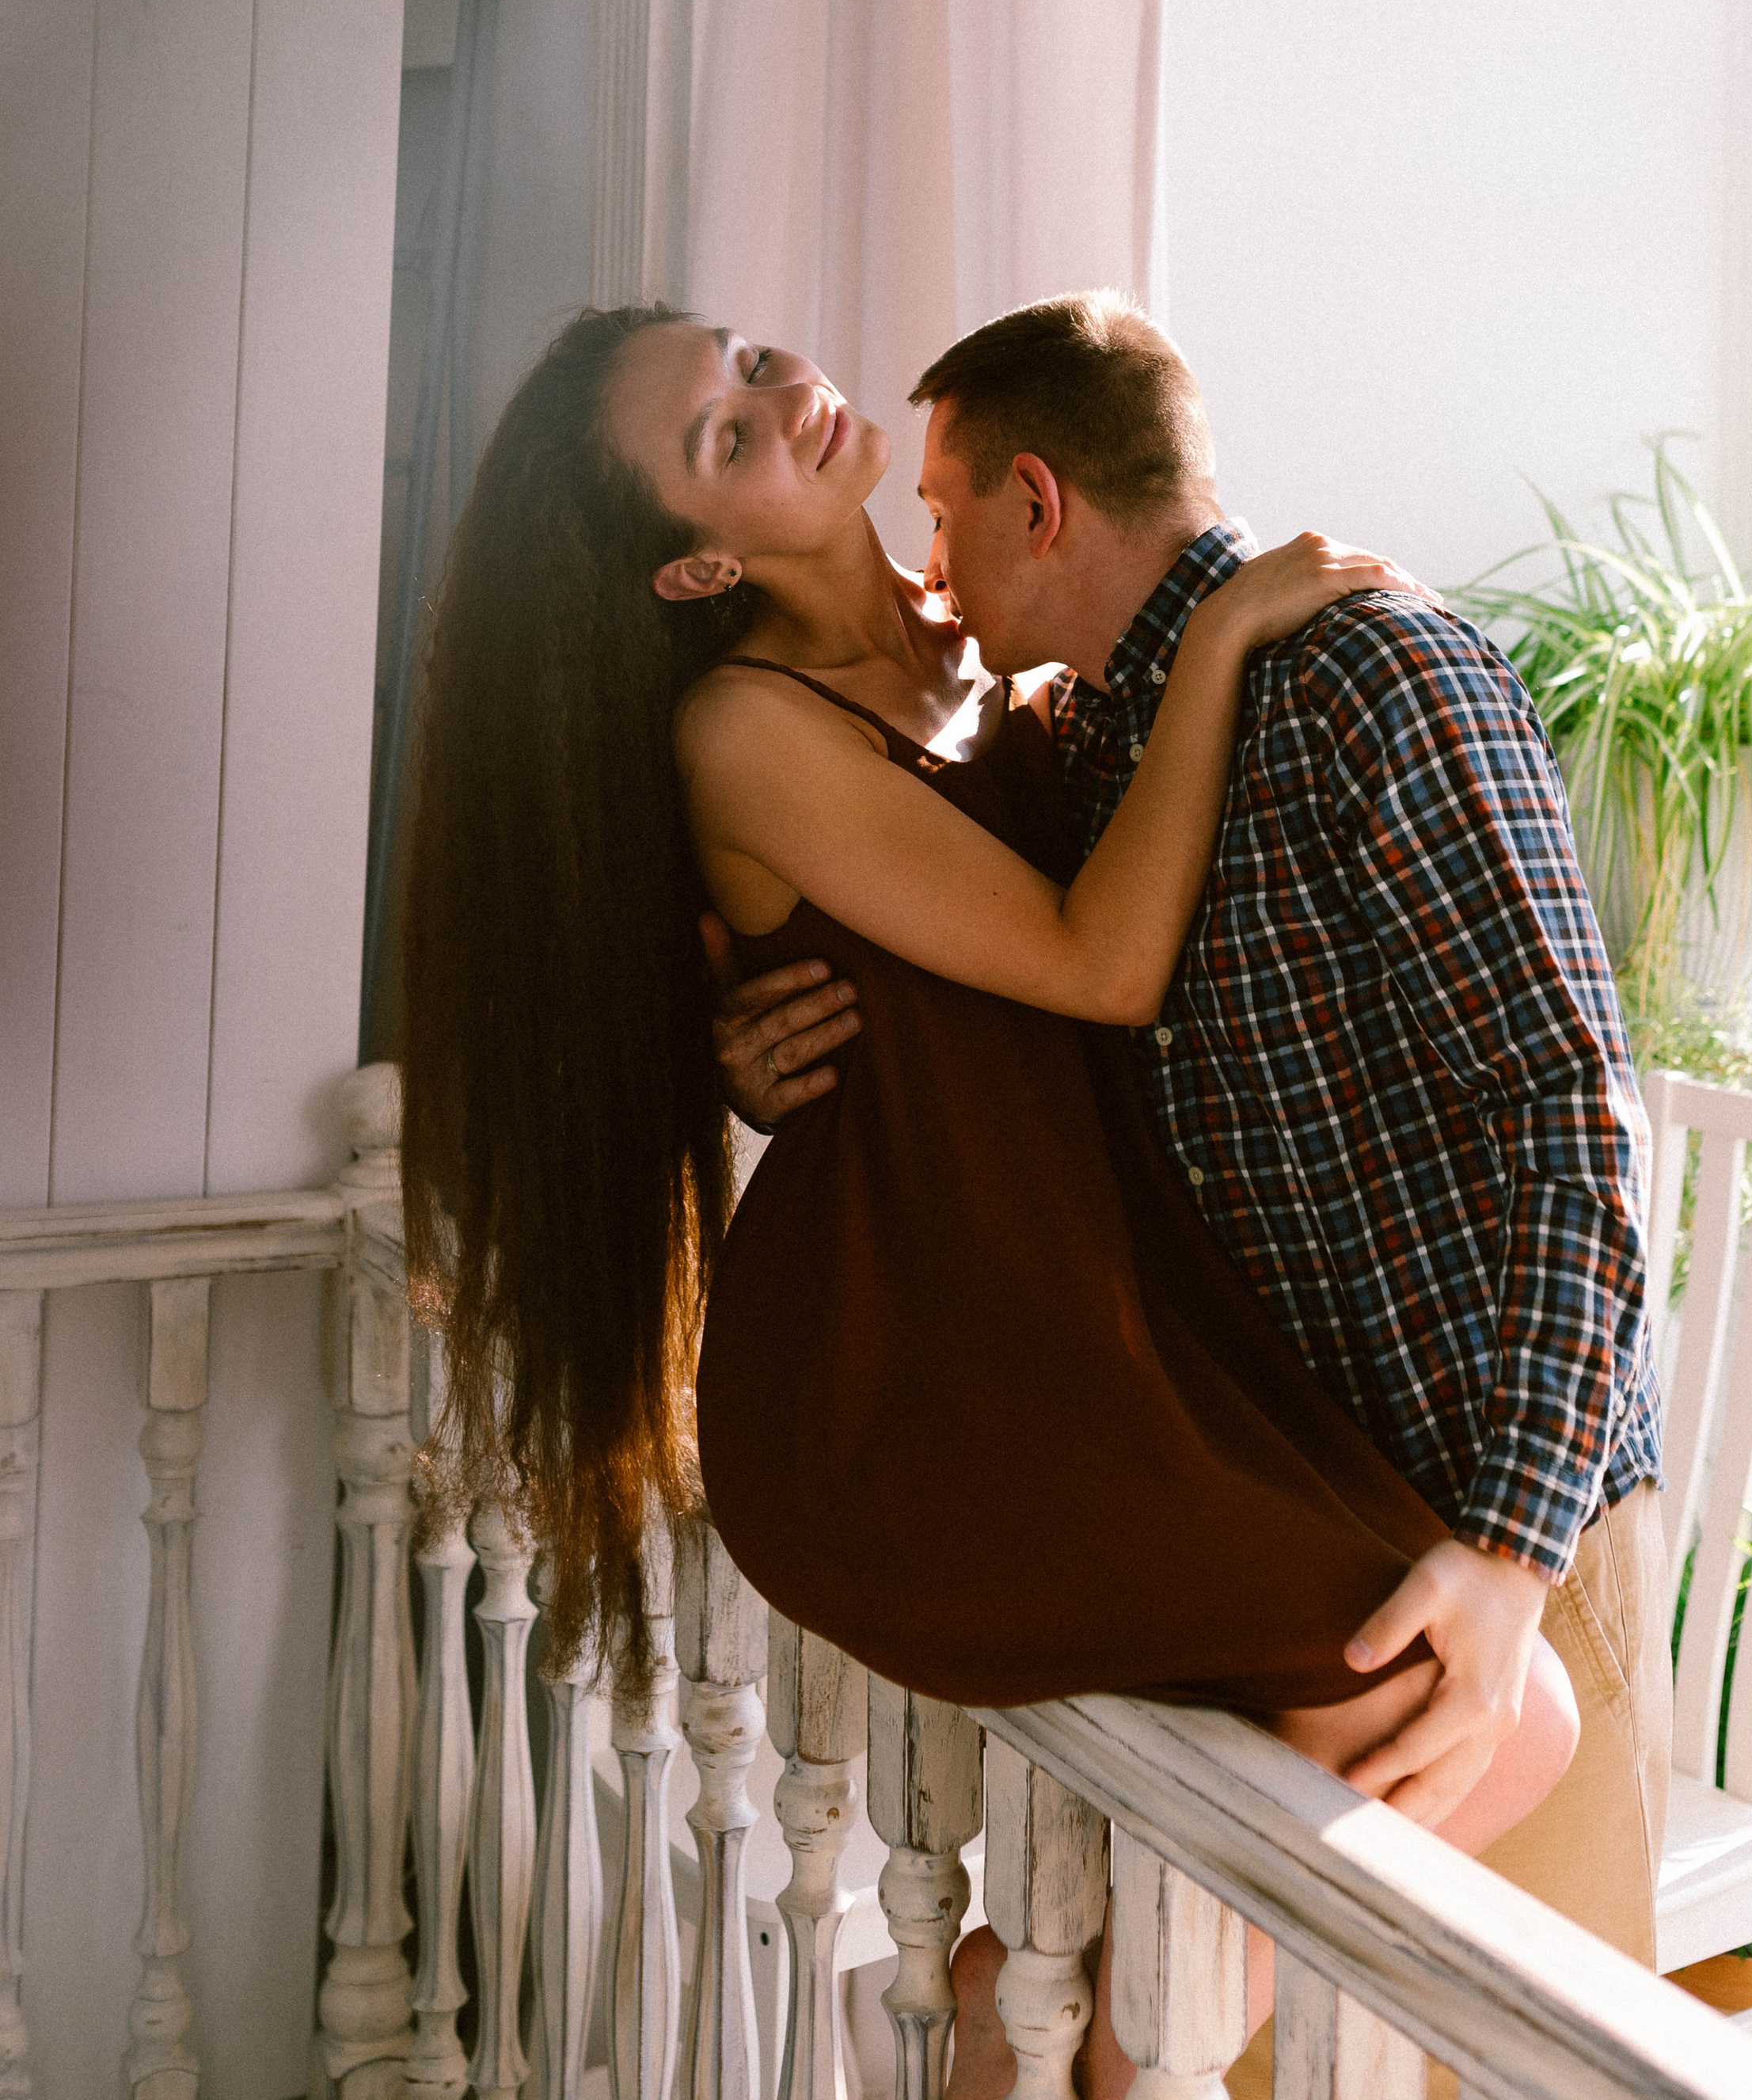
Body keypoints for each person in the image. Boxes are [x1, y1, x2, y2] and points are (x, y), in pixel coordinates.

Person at [401, 301, 1579, 2100]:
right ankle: (1107, 2053)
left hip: (1100, 1316)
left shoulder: (992, 654)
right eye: (722, 434)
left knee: (1470, 1717)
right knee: (1499, 1717)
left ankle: (1015, 2018)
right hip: (931, 1356)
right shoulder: (740, 724)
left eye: (741, 357)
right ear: (698, 559)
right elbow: (1095, 964)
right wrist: (1232, 625)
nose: (780, 393)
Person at [715, 291, 1670, 1995]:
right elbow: (988, 994)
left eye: (941, 516)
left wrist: (1514, 1548)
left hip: (1497, 1517)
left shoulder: (1376, 673)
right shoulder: (1082, 745)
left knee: (1521, 2038)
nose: (930, 567)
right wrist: (753, 1036)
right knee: (1191, 2010)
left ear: (1038, 503)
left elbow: (1568, 1111)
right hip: (1301, 1505)